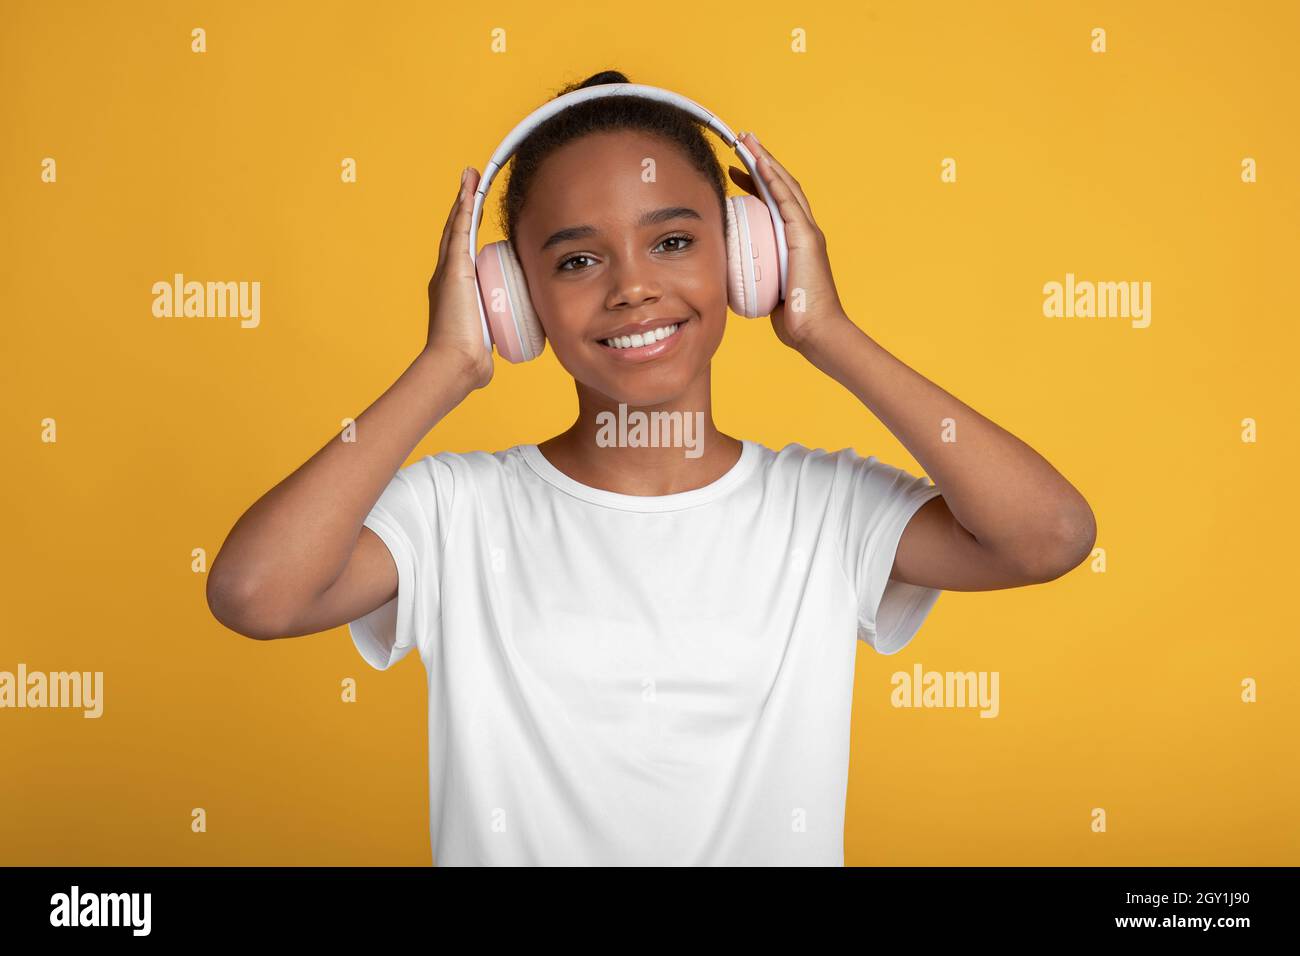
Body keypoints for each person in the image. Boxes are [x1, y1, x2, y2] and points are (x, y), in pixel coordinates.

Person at [206, 70, 1096, 866]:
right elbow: (255, 595)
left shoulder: (821, 511)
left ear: (751, 258)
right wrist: (442, 369)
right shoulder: (457, 513)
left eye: (672, 242)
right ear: (511, 299)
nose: (631, 287)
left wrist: (828, 332)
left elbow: (1048, 535)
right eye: (578, 259)